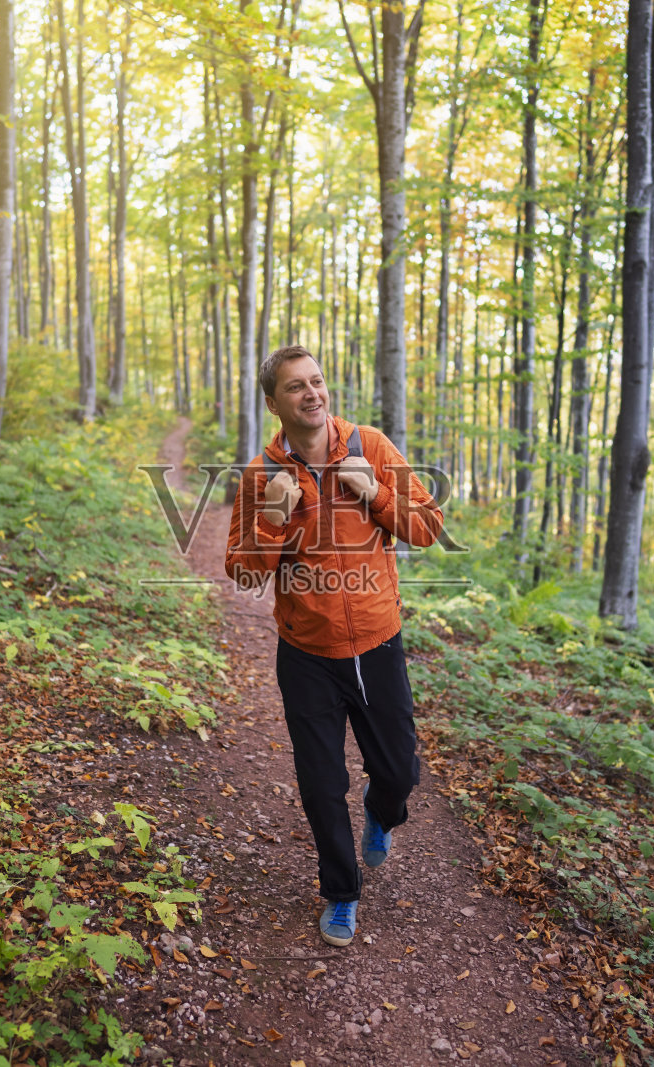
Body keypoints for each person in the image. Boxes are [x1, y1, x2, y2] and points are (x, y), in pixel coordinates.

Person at [224, 344, 445, 947]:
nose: (311, 394)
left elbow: (428, 526)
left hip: (377, 642)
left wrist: (375, 492)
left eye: (316, 381)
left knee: (398, 771)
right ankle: (341, 893)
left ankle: (382, 809)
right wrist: (272, 520)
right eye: (295, 386)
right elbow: (242, 572)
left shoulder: (370, 446)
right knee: (321, 785)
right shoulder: (261, 476)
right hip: (306, 655)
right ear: (273, 404)